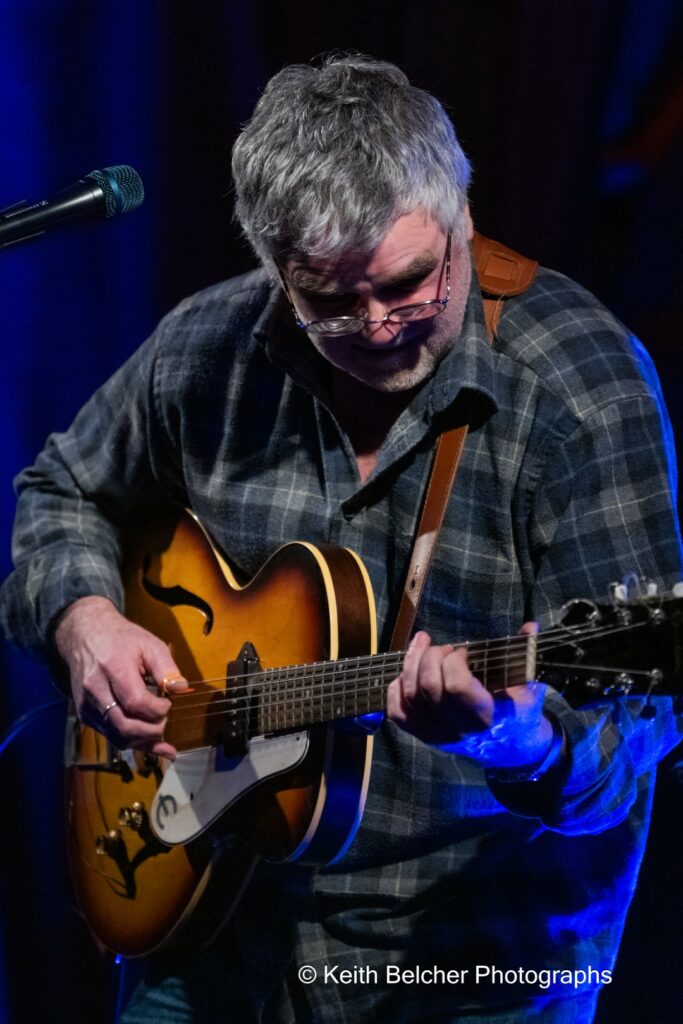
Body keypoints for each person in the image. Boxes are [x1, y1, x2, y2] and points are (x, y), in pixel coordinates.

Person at [1, 53, 682, 1024]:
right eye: (327, 301)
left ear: (458, 216)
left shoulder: (578, 385)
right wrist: (84, 621)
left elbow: (636, 729)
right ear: (274, 267)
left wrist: (519, 740)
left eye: (408, 282)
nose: (376, 326)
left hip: (468, 955)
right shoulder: (206, 345)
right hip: (213, 915)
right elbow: (62, 489)